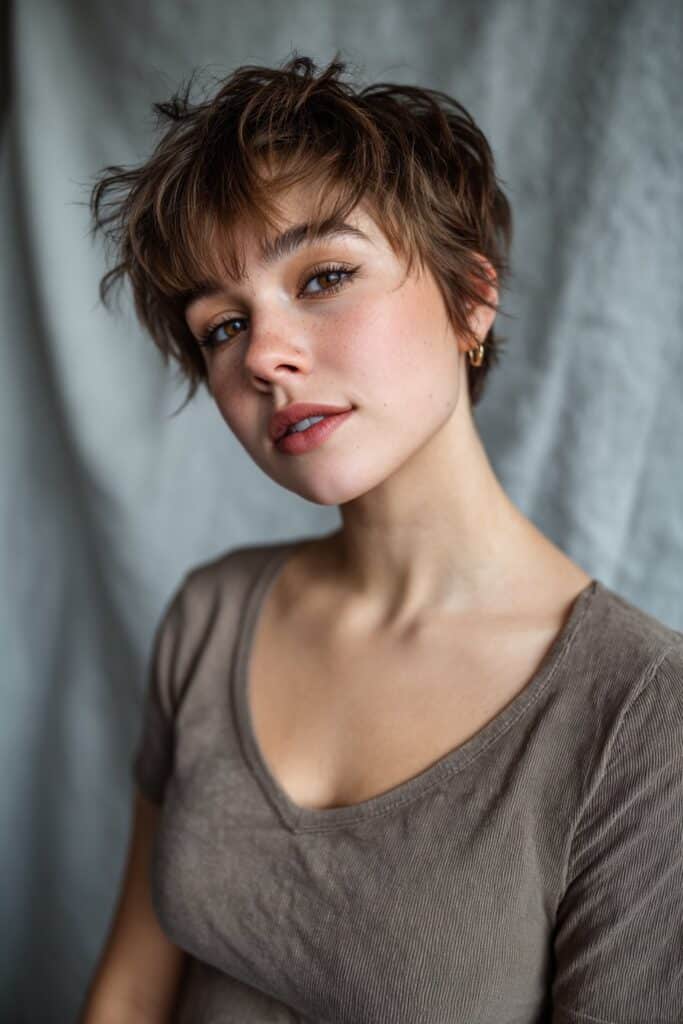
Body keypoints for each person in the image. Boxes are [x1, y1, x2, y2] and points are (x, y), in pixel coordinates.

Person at [79, 53, 683, 1024]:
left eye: (321, 275)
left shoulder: (640, 716)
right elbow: (128, 989)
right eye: (221, 326)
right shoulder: (209, 616)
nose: (266, 357)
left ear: (469, 299)